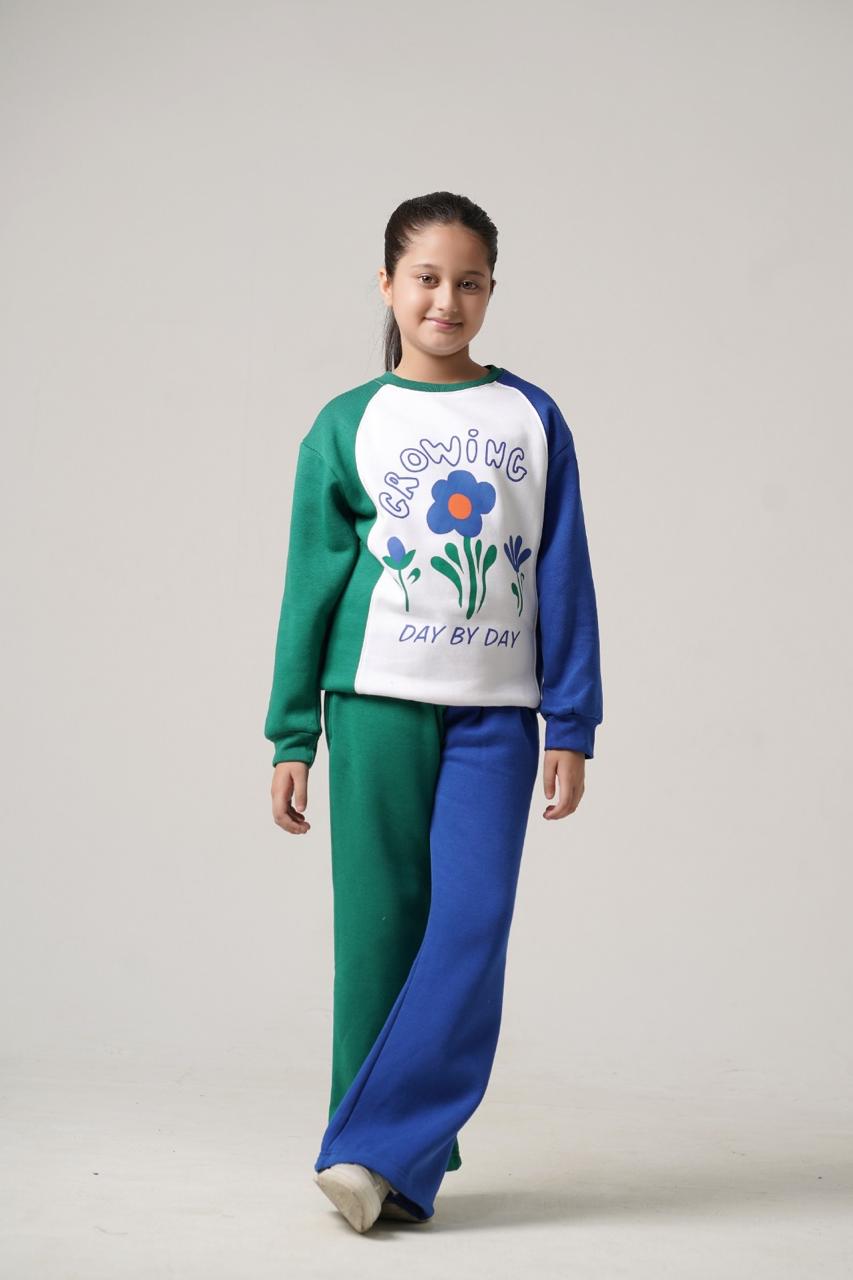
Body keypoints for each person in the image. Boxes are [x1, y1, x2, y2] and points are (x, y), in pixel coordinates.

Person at [264, 190, 603, 1232]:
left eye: (468, 281)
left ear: (491, 290)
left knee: (469, 923)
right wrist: (291, 734)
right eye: (425, 278)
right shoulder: (348, 422)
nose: (445, 300)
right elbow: (309, 585)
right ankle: (388, 1166)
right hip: (373, 705)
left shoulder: (531, 417)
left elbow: (563, 573)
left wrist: (572, 720)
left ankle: (369, 1149)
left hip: (494, 717)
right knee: (377, 935)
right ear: (386, 285)